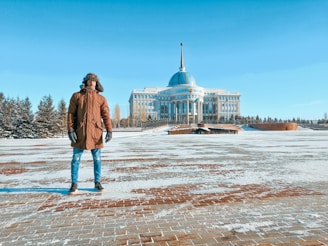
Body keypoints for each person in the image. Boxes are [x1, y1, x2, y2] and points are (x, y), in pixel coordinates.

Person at [67, 73, 112, 195]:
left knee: (97, 159)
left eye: (94, 80)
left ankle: (97, 183)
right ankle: (74, 184)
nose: (92, 82)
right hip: (80, 133)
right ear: (86, 81)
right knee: (76, 159)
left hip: (95, 133)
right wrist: (70, 129)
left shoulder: (101, 99)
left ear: (97, 83)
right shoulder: (77, 96)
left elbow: (106, 116)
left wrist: (109, 130)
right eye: (90, 80)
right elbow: (71, 114)